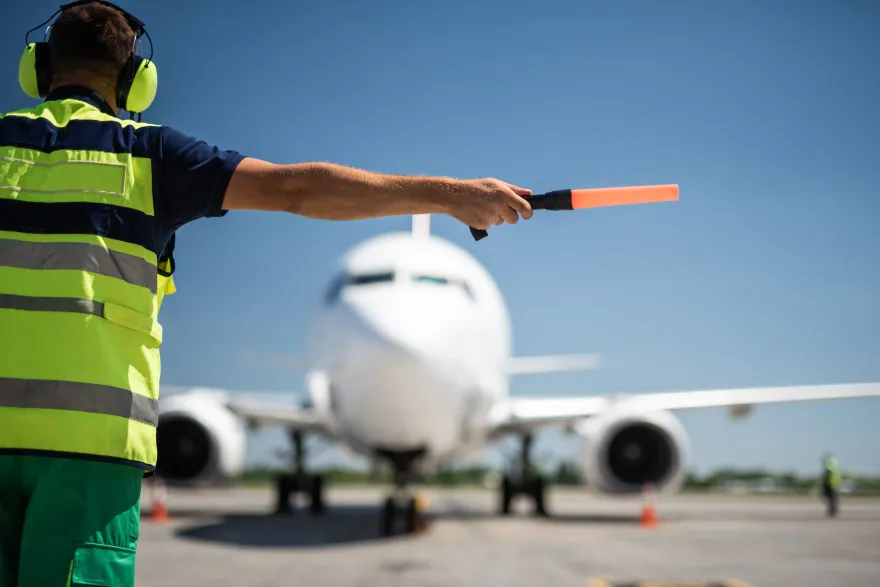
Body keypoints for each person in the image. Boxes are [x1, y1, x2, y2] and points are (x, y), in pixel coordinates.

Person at [0, 2, 533, 586]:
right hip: (88, 453)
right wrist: (451, 195)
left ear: (38, 67)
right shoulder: (150, 156)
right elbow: (300, 190)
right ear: (135, 82)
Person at [821, 453, 842, 517]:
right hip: (833, 486)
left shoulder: (829, 470)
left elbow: (826, 479)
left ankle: (833, 510)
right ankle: (833, 510)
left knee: (831, 499)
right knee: (833, 499)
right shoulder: (834, 470)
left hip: (831, 486)